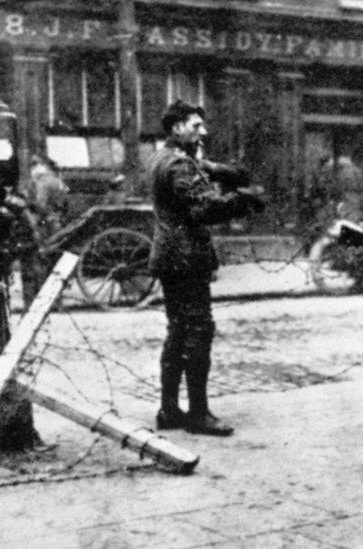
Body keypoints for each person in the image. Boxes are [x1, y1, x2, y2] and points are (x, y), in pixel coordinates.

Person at [148, 100, 264, 436]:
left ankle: (169, 410)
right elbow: (206, 207)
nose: (204, 132)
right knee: (198, 332)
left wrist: (223, 173)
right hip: (186, 260)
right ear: (176, 129)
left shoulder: (162, 158)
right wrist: (246, 198)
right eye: (196, 126)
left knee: (177, 331)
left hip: (170, 258)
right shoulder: (179, 165)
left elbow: (204, 171)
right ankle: (199, 414)